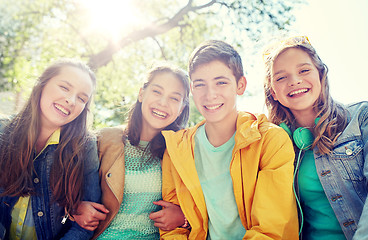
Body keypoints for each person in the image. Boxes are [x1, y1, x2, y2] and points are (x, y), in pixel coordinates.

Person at [160, 40, 299, 239]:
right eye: (200, 85)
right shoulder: (177, 149)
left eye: (221, 82)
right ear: (192, 89)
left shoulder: (270, 140)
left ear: (240, 85)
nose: (210, 95)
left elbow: (271, 229)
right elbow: (173, 230)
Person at [263, 36, 368, 240]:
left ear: (321, 75)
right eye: (281, 77)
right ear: (273, 92)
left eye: (304, 70)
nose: (294, 81)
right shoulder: (275, 146)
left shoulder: (361, 117)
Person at [75, 63, 191, 239]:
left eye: (174, 98)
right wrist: (75, 208)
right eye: (157, 92)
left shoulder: (184, 151)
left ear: (181, 108)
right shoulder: (103, 139)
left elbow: (206, 206)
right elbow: (64, 187)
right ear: (141, 93)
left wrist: (184, 218)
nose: (163, 103)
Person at [0, 59, 100, 239]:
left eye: (82, 98)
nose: (71, 100)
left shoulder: (85, 147)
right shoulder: (3, 131)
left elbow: (86, 224)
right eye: (65, 87)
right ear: (43, 84)